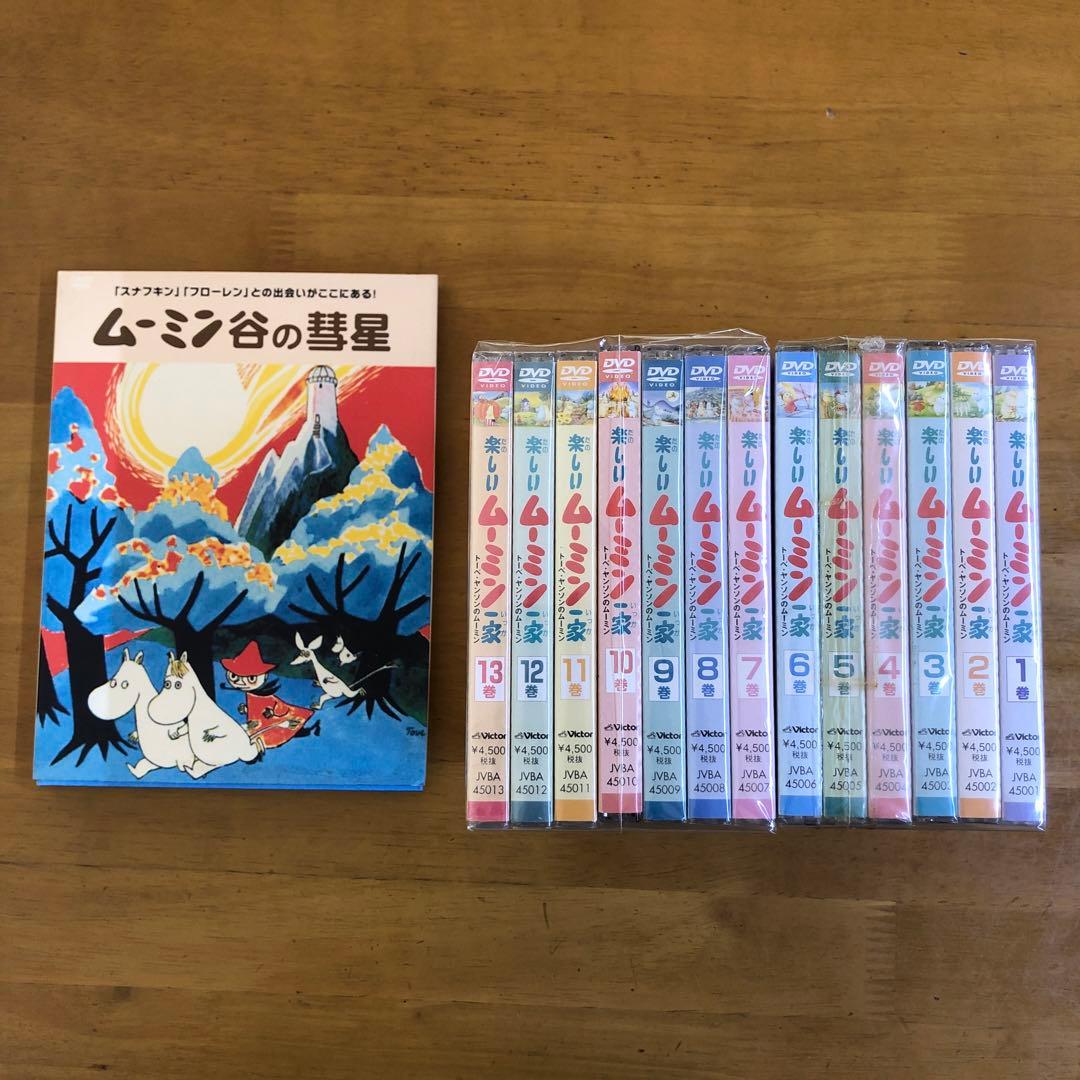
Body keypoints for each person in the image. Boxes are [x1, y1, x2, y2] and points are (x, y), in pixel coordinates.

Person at [220, 641, 317, 750]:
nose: (241, 683)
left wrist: (272, 713)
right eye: (234, 676)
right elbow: (255, 709)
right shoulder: (251, 694)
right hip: (258, 725)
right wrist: (247, 709)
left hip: (274, 724)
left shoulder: (265, 697)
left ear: (264, 676)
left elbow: (280, 708)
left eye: (251, 678)